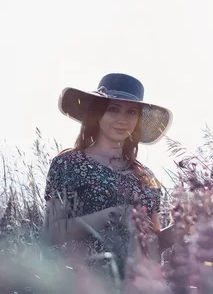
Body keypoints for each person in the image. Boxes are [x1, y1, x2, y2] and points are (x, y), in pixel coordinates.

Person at [41, 73, 176, 280]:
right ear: (98, 112)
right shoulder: (69, 164)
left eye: (131, 112)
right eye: (113, 109)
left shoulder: (146, 177)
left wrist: (188, 223)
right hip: (83, 283)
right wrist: (112, 215)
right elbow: (52, 232)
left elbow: (153, 246)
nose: (123, 120)